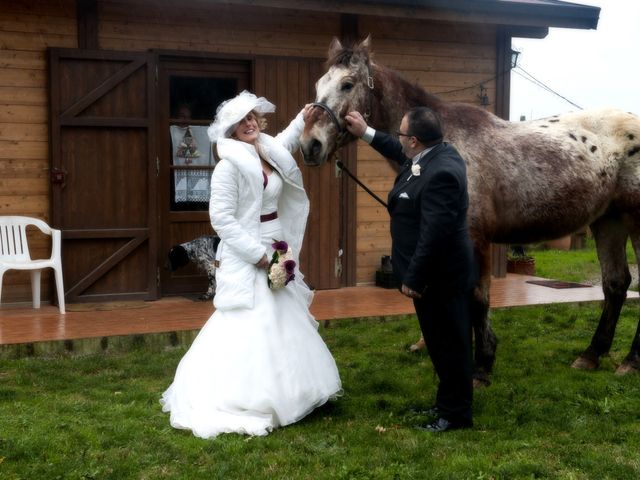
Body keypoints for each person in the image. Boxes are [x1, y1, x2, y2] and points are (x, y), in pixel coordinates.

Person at [161, 91, 342, 439]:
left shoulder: (266, 148)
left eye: (251, 118)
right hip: (250, 251)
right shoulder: (229, 166)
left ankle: (296, 391)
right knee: (250, 319)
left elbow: (287, 139)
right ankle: (246, 397)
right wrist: (258, 257)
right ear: (229, 130)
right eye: (240, 121)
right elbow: (222, 220)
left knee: (285, 317)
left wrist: (304, 117)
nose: (248, 125)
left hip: (278, 243)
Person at [345, 107, 477, 432]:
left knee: (452, 345)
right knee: (438, 343)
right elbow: (396, 149)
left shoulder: (441, 173)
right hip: (431, 277)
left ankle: (456, 416)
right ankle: (444, 405)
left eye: (402, 134)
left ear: (415, 140)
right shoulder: (429, 155)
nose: (399, 138)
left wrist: (414, 278)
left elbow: (435, 234)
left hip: (440, 277)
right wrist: (365, 131)